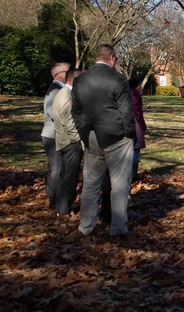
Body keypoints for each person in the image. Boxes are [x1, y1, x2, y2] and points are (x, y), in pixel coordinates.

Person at [71, 44, 135, 236]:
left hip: (91, 135)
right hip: (116, 137)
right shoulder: (118, 78)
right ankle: (118, 228)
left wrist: (84, 132)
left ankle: (86, 226)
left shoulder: (80, 80)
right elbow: (126, 111)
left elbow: (75, 111)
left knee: (90, 184)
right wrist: (129, 133)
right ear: (112, 57)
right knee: (119, 184)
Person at [52, 69, 83, 216]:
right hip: (69, 142)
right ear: (73, 80)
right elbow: (68, 121)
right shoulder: (66, 95)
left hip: (64, 141)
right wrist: (77, 139)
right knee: (69, 178)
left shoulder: (64, 93)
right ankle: (64, 208)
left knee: (66, 176)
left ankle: (61, 207)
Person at [41, 63, 70, 209]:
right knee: (56, 168)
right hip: (53, 135)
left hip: (55, 134)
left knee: (57, 167)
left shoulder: (59, 89)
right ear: (58, 74)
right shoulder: (55, 90)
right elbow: (51, 111)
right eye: (67, 71)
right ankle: (53, 199)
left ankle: (56, 196)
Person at [129, 77, 148, 181]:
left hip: (125, 123)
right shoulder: (135, 95)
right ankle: (132, 174)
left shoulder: (125, 92)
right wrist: (142, 126)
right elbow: (138, 113)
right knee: (135, 149)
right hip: (135, 123)